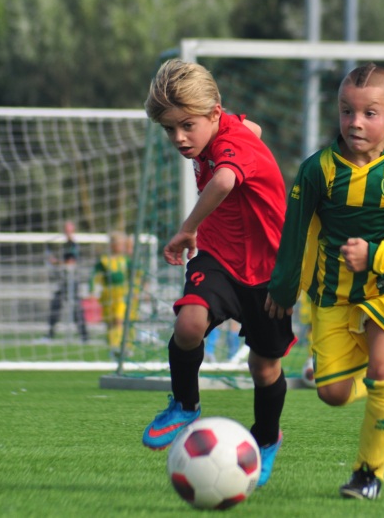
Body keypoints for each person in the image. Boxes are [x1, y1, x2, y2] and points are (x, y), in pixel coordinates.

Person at [266, 63, 384, 500]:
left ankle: (368, 474)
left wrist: (379, 256)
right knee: (332, 394)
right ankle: (367, 377)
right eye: (347, 111)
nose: (356, 122)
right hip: (332, 295)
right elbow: (295, 232)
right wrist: (284, 290)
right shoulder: (316, 170)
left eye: (370, 113)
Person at [140, 59, 295, 489]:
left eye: (186, 126)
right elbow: (255, 127)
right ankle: (185, 405)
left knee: (264, 367)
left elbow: (225, 181)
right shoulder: (227, 126)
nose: (178, 138)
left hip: (270, 270)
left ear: (214, 113)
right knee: (188, 323)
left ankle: (265, 439)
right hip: (219, 258)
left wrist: (186, 228)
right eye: (169, 129)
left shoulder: (232, 143)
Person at [90, 231, 139, 354]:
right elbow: (94, 276)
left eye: (122, 244)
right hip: (108, 294)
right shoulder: (104, 260)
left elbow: (137, 274)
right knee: (110, 321)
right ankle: (113, 346)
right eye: (117, 243)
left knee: (121, 319)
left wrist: (137, 290)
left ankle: (124, 346)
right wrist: (92, 290)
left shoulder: (126, 260)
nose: (120, 246)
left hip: (123, 293)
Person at [45, 220, 89, 343]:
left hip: (73, 282)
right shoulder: (64, 244)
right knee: (56, 306)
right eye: (65, 229)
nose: (67, 232)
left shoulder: (74, 245)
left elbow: (71, 263)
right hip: (64, 282)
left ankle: (84, 336)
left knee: (76, 309)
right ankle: (49, 335)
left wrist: (56, 262)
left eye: (69, 229)